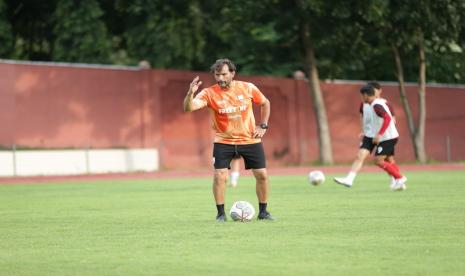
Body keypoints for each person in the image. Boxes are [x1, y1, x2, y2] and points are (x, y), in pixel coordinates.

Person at [183, 58, 275, 222]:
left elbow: (265, 103)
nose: (220, 78)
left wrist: (263, 126)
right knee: (220, 176)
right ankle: (220, 214)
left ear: (232, 73)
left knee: (262, 175)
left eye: (224, 74)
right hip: (223, 141)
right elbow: (188, 108)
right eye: (217, 75)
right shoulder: (209, 93)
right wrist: (190, 93)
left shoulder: (248, 87)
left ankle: (263, 212)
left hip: (250, 140)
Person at [334, 84, 407, 190]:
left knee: (382, 160)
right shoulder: (369, 104)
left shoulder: (378, 105)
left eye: (362, 96)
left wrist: (379, 134)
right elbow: (365, 118)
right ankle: (349, 179)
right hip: (371, 135)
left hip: (387, 137)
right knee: (361, 155)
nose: (361, 98)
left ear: (366, 95)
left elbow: (387, 118)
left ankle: (399, 178)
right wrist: (365, 131)